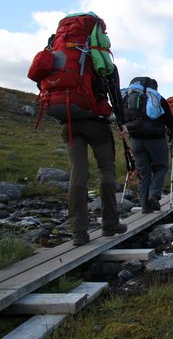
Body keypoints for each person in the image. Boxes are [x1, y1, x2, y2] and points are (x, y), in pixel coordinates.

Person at [64, 65, 128, 246]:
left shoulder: (58, 53)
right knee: (106, 170)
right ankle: (110, 223)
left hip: (68, 121)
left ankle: (78, 231)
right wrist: (121, 122)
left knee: (77, 171)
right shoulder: (103, 61)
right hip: (97, 122)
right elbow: (115, 93)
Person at [124, 77, 173, 213]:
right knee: (161, 167)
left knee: (143, 172)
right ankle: (154, 196)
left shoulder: (129, 97)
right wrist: (171, 131)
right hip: (156, 139)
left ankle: (144, 207)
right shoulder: (157, 98)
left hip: (136, 140)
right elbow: (169, 120)